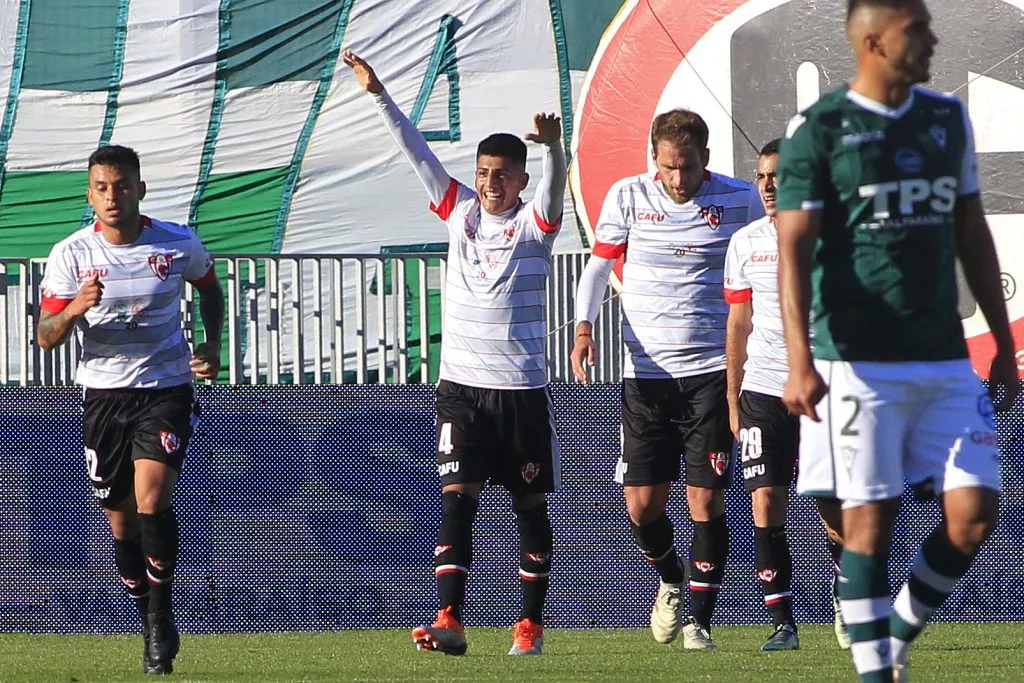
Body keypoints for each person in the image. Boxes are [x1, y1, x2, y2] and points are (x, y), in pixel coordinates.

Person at [776, 1, 1019, 680]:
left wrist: (1000, 339)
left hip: (944, 357)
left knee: (974, 513)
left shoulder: (946, 118)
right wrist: (799, 360)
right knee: (869, 526)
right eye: (919, 27)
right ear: (875, 40)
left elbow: (971, 230)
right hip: (858, 361)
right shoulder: (821, 129)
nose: (933, 36)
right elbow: (792, 250)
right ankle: (876, 670)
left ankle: (897, 630)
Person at [343, 50, 566, 657]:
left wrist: (553, 148)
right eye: (484, 172)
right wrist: (380, 93)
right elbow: (415, 151)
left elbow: (555, 193)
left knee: (528, 504)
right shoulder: (459, 210)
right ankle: (450, 619)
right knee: (456, 497)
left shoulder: (535, 225)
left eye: (502, 174)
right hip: (461, 388)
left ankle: (530, 625)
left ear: (520, 180)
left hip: (520, 387)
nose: (491, 183)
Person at [571, 109, 763, 649]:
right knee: (642, 506)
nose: (678, 180)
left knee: (706, 501)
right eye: (669, 167)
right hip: (645, 376)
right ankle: (672, 577)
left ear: (706, 157)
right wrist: (584, 327)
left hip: (713, 374)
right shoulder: (628, 196)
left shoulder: (740, 199)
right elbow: (599, 267)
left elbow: (764, 263)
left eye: (688, 167)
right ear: (654, 158)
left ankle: (700, 619)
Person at [38, 145, 224, 675]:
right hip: (102, 396)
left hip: (164, 386)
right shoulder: (72, 254)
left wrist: (210, 346)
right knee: (122, 525)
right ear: (89, 194)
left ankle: (162, 615)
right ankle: (146, 611)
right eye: (101, 187)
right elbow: (46, 337)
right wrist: (74, 307)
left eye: (121, 185)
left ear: (140, 189)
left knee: (153, 495)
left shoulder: (176, 241)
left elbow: (209, 288)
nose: (112, 196)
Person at [724, 138, 850, 651]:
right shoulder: (744, 242)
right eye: (762, 176)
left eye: (780, 175)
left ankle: (847, 599)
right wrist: (732, 397)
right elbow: (738, 322)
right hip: (761, 389)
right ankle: (783, 624)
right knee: (765, 500)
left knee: (831, 503)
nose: (770, 185)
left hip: (822, 388)